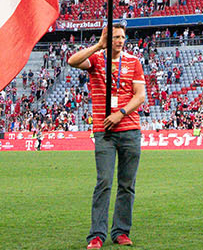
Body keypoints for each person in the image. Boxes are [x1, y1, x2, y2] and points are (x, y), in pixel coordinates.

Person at [66, 24, 148, 249]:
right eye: (115, 37)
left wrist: (119, 114)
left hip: (130, 130)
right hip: (105, 133)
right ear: (106, 39)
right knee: (103, 182)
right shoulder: (96, 60)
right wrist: (98, 46)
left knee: (127, 184)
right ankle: (97, 234)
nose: (120, 40)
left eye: (122, 37)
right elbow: (72, 61)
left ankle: (121, 231)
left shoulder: (133, 62)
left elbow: (140, 96)